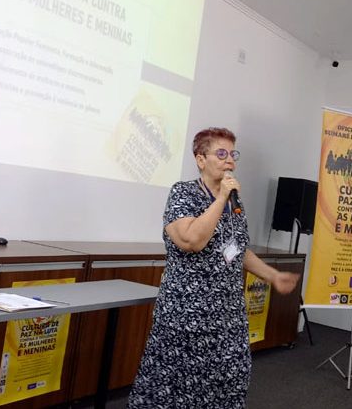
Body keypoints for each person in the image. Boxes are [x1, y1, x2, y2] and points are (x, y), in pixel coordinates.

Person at [128, 127, 300, 409]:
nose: (229, 160)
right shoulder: (184, 193)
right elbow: (192, 240)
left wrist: (273, 275)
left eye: (232, 154)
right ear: (200, 159)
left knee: (230, 380)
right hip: (187, 315)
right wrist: (220, 198)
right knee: (178, 387)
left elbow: (237, 249)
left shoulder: (234, 202)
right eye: (221, 153)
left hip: (227, 316)